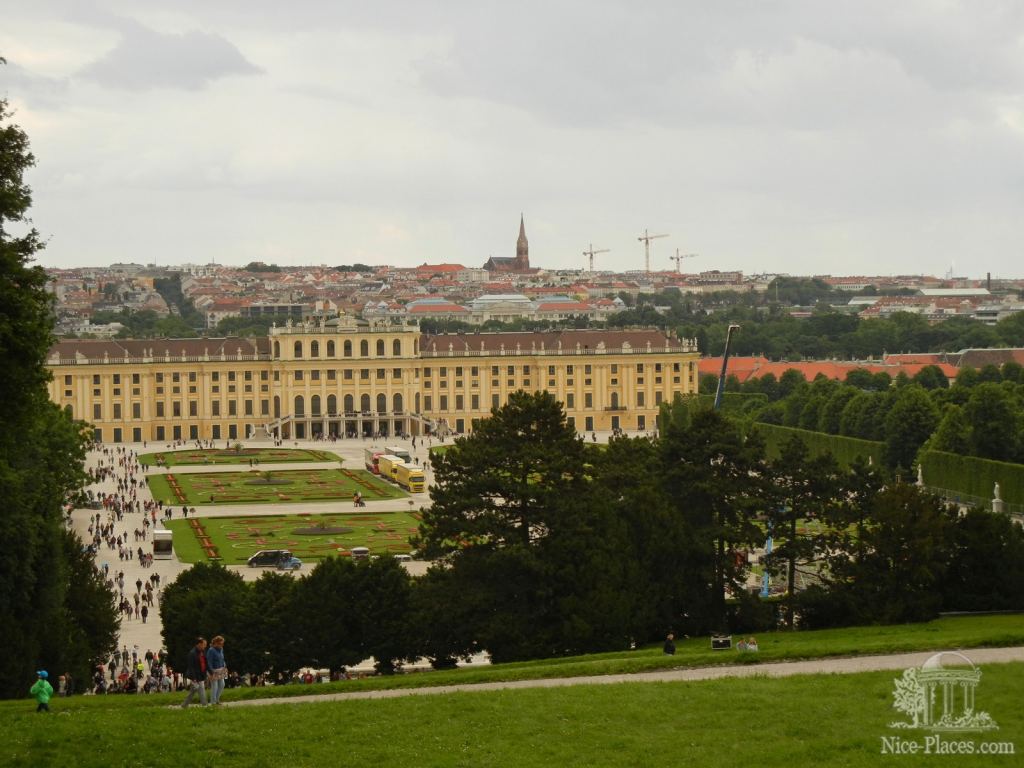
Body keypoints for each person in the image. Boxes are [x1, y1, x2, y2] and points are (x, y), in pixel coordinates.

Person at [181, 637, 208, 708]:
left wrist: (207, 673)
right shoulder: (192, 653)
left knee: (192, 692)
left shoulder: (203, 652)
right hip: (196, 676)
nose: (205, 646)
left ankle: (184, 705)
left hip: (201, 675)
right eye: (204, 644)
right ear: (199, 644)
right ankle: (205, 705)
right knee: (202, 690)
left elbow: (205, 663)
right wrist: (194, 678)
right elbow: (191, 667)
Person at [206, 635, 228, 705]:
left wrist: (224, 664)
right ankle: (213, 702)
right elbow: (209, 662)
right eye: (220, 643)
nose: (222, 645)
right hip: (213, 671)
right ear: (215, 643)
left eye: (222, 643)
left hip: (221, 670)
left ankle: (217, 700)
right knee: (214, 686)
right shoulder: (211, 650)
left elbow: (222, 658)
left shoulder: (221, 649)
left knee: (222, 685)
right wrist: (210, 671)